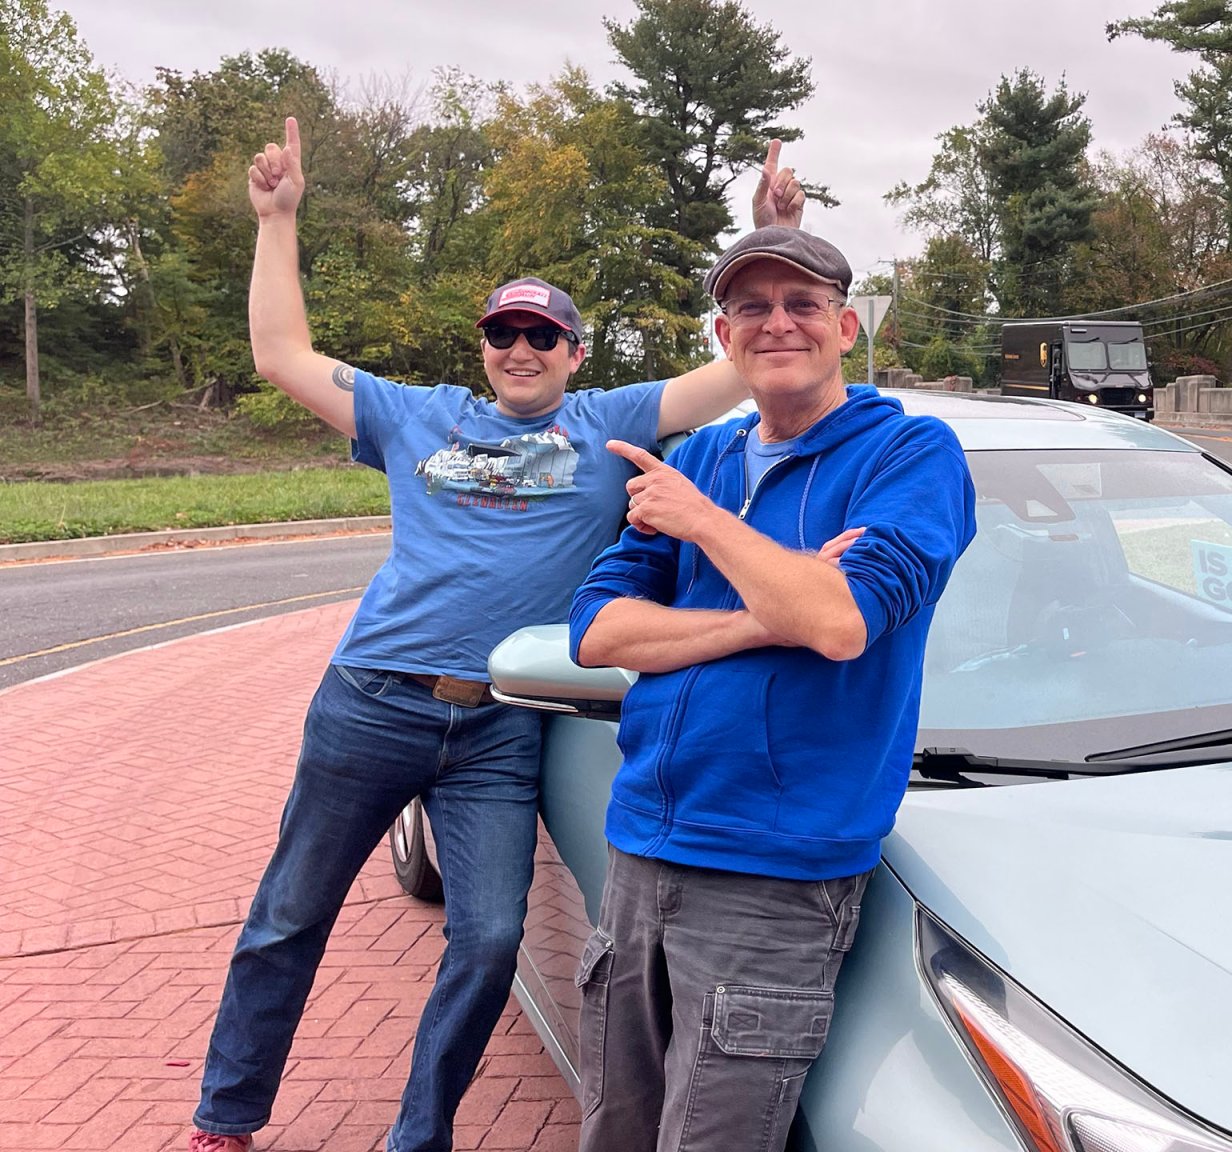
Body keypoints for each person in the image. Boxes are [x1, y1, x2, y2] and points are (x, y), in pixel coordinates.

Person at [186, 119, 808, 1152]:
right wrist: (275, 220)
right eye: (503, 334)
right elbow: (278, 352)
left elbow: (747, 368)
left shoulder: (614, 423)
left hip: (500, 729)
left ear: (574, 352)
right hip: (372, 702)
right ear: (482, 346)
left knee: (487, 941)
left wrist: (769, 237)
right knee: (289, 917)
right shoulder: (412, 416)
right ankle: (227, 1112)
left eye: (542, 337)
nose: (521, 351)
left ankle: (417, 1134)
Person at [566, 226, 976, 1151]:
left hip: (774, 877)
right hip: (641, 848)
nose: (777, 322)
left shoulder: (910, 457)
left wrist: (705, 529)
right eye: (753, 306)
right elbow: (597, 630)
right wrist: (765, 613)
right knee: (615, 1133)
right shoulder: (701, 457)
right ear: (724, 332)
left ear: (846, 325)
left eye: (802, 304)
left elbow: (839, 622)